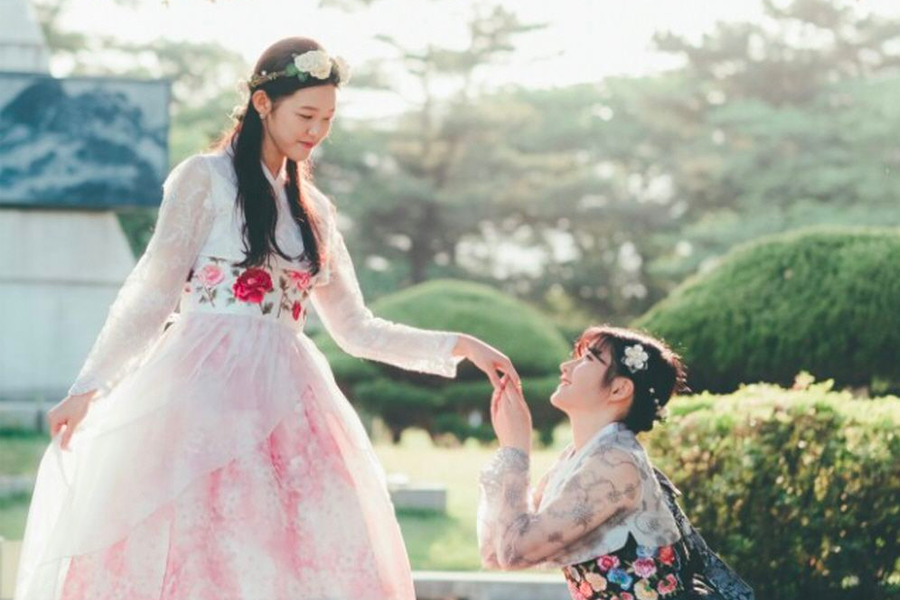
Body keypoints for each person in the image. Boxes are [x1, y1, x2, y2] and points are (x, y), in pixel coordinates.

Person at [15, 37, 519, 600]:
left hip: (290, 399)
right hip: (200, 391)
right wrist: (90, 385)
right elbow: (150, 296)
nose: (316, 131)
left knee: (295, 553)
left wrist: (460, 345)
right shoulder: (203, 180)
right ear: (262, 103)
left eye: (327, 119)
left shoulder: (315, 211)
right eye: (305, 115)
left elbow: (356, 329)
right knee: (200, 545)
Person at [477, 325, 753, 600]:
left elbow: (515, 553)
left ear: (619, 388)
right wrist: (510, 447)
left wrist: (516, 451)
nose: (566, 366)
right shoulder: (573, 459)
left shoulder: (617, 465)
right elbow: (497, 553)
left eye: (587, 359)